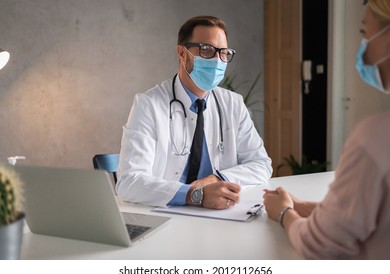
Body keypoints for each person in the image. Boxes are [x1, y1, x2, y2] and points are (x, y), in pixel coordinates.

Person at [263, 0, 390, 259]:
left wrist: (285, 213)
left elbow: (320, 245)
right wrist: (301, 206)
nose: (363, 52)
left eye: (365, 35)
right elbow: (366, 217)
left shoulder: (375, 138)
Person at [117, 16, 272, 209]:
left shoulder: (233, 103)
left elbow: (261, 164)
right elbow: (128, 182)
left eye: (223, 53)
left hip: (220, 214)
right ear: (182, 53)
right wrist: (194, 195)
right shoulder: (149, 104)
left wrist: (217, 178)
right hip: (168, 213)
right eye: (206, 50)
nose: (217, 60)